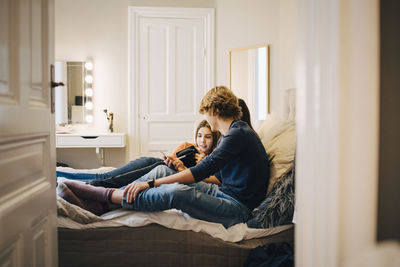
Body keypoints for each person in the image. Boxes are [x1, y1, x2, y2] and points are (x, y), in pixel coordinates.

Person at [59, 86, 269, 228]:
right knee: (162, 169)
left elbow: (201, 172)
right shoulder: (228, 135)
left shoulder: (237, 134)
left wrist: (150, 184)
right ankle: (107, 202)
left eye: (205, 112)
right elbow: (217, 175)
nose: (205, 118)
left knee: (176, 193)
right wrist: (171, 171)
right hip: (222, 192)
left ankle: (105, 197)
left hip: (237, 208)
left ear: (213, 109)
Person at [56, 120, 220, 187]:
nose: (202, 141)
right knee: (105, 177)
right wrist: (174, 162)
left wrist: (199, 164)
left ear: (215, 139)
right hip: (151, 163)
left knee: (108, 180)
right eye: (199, 136)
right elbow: (170, 161)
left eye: (207, 137)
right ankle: (57, 175)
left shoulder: (213, 160)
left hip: (155, 172)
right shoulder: (187, 146)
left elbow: (211, 180)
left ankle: (66, 183)